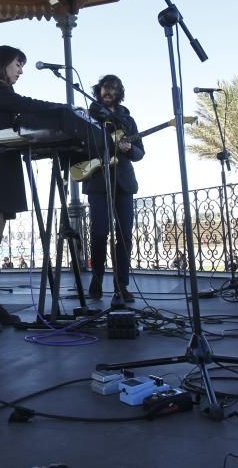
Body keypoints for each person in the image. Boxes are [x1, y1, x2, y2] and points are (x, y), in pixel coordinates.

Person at [0, 45, 66, 333]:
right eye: (18, 64)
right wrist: (61, 108)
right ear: (3, 62)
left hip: (1, 166)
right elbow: (26, 104)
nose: (21, 71)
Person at [83, 75, 145, 304]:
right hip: (98, 181)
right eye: (105, 88)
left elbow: (140, 153)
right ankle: (97, 278)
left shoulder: (127, 120)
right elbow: (81, 146)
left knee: (125, 235)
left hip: (124, 183)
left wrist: (129, 149)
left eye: (114, 89)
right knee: (99, 232)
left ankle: (122, 284)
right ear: (99, 90)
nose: (109, 92)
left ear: (119, 92)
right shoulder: (89, 117)